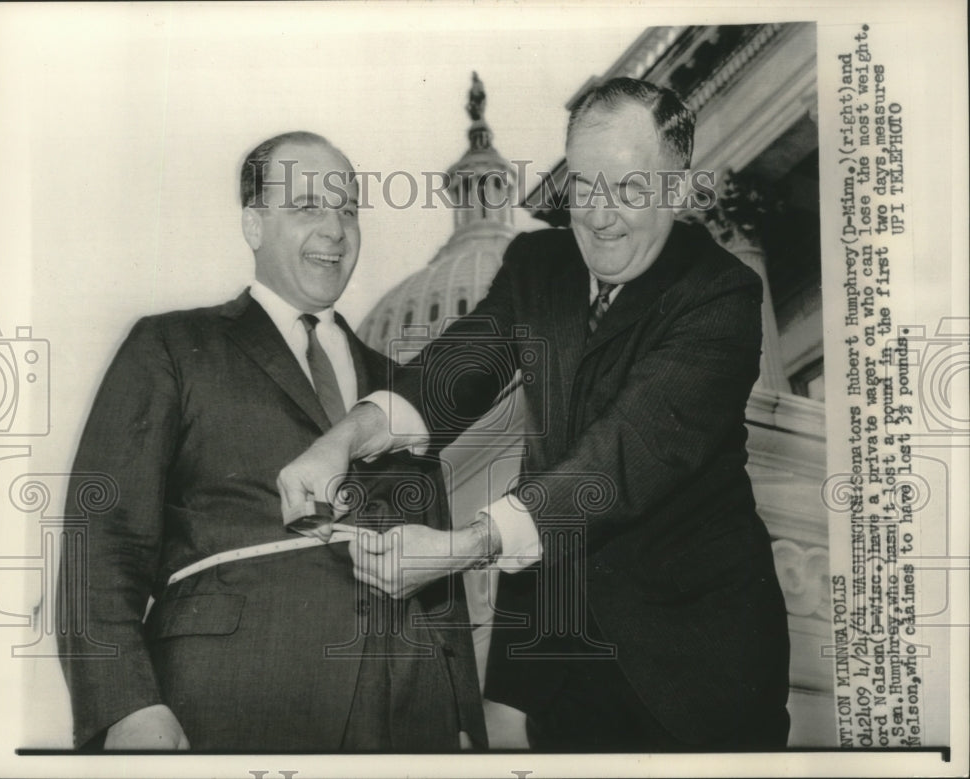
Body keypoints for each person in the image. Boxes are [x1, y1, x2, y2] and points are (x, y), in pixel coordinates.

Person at [277, 80, 791, 751]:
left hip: (692, 666)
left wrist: (462, 548)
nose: (599, 217)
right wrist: (340, 439)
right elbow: (449, 374)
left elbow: (619, 458)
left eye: (630, 190)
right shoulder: (538, 263)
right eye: (583, 186)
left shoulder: (720, 292)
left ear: (676, 188)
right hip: (557, 661)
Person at [57, 131, 485, 752]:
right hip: (231, 696)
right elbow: (101, 540)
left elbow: (439, 586)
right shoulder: (171, 347)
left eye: (348, 210)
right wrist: (126, 705)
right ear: (254, 224)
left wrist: (463, 720)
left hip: (408, 714)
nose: (336, 230)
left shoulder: (400, 394)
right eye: (308, 206)